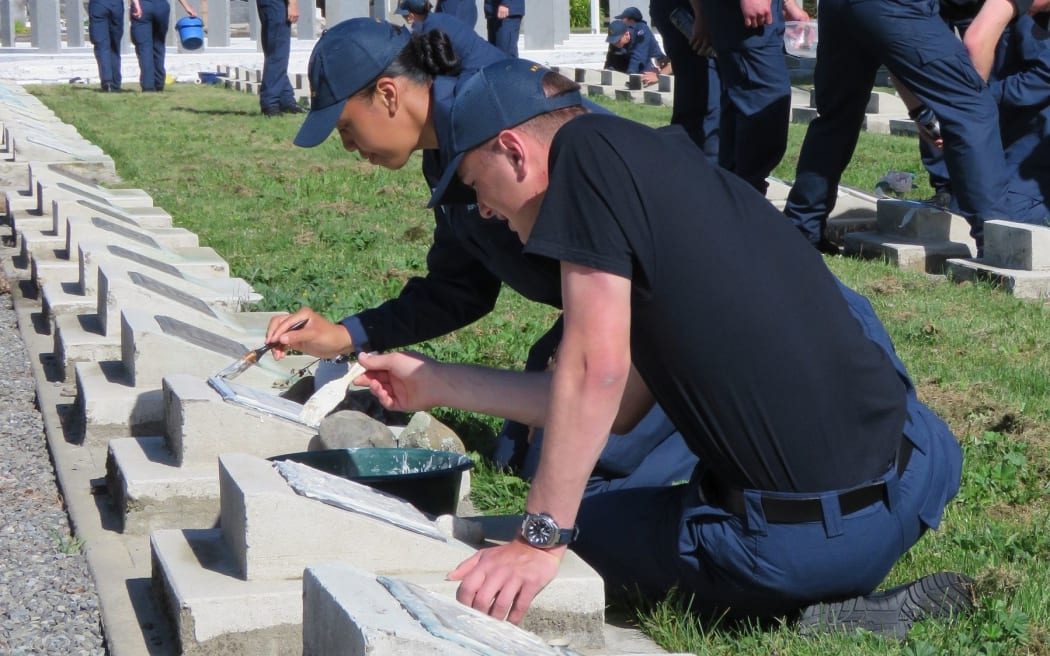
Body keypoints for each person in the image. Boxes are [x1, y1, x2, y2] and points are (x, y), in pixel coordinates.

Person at [354, 58, 973, 636]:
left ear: (514, 152)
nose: (484, 213)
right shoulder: (655, 163)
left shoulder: (581, 165)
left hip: (812, 544)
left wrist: (538, 539)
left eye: (474, 185)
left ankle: (810, 607)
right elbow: (619, 404)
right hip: (921, 468)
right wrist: (434, 381)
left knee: (587, 524)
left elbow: (593, 369)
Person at [266, 19, 698, 497]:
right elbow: (460, 287)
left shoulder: (504, 121)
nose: (348, 147)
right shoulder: (447, 145)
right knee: (518, 455)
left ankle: (698, 422)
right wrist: (345, 335)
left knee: (592, 476)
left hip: (675, 305)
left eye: (346, 127)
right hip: (602, 306)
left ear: (388, 95)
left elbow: (628, 244)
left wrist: (576, 357)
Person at [782, 0, 1048, 254]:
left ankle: (800, 229)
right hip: (893, 6)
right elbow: (976, 42)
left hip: (839, 7)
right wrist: (960, 106)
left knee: (837, 117)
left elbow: (898, 49)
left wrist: (923, 114)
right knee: (974, 106)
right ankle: (998, 245)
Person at [693, 0, 792, 195]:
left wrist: (787, 5)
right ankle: (745, 201)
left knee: (740, 104)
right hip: (745, 19)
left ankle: (733, 200)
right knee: (766, 104)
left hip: (754, 17)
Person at [649, 0, 720, 160]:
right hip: (690, 11)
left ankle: (686, 164)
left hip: (689, 10)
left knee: (701, 100)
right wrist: (701, 15)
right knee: (704, 103)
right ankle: (699, 170)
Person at [130, 0, 197, 92]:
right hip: (161, 7)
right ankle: (159, 83)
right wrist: (187, 7)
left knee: (144, 47)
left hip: (143, 5)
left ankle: (148, 85)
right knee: (158, 45)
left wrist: (136, 4)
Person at [257, 0, 308, 116]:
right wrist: (293, 3)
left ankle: (285, 99)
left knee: (275, 52)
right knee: (278, 54)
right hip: (276, 4)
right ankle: (270, 103)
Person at [604, 19, 662, 87]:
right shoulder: (614, 43)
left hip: (642, 67)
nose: (614, 43)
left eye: (617, 40)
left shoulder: (638, 38)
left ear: (626, 34)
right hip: (624, 66)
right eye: (612, 40)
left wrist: (629, 76)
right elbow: (610, 59)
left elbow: (637, 58)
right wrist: (607, 71)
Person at [88, 0, 124, 92]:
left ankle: (107, 81)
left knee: (102, 45)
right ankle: (115, 83)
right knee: (114, 46)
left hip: (99, 4)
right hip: (116, 5)